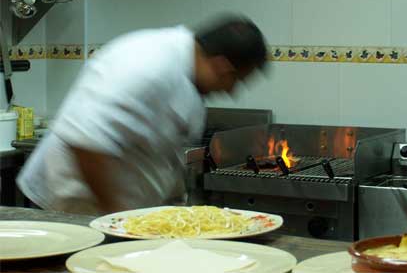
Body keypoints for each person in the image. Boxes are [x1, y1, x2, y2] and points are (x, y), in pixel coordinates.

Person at [16, 15, 268, 215]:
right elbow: (85, 143)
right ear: (222, 67)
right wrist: (118, 219)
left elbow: (163, 154)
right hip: (74, 211)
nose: (232, 92)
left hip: (124, 214)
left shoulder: (188, 75)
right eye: (237, 81)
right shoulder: (147, 64)